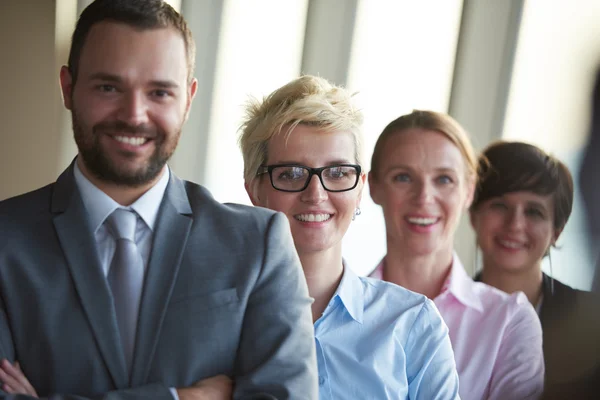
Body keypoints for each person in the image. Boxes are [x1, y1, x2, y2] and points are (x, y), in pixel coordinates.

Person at [0, 0, 318, 399]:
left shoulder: (258, 243)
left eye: (159, 92)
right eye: (108, 87)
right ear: (68, 88)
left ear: (188, 99)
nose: (134, 114)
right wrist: (183, 397)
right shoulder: (5, 240)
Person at [239, 75, 460, 400]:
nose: (316, 194)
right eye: (291, 174)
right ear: (255, 190)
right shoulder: (218, 319)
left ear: (359, 189)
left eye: (338, 173)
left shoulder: (413, 325)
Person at [368, 110, 545, 400]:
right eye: (403, 177)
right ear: (373, 186)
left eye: (444, 179)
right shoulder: (338, 313)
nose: (424, 197)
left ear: (469, 191)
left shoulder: (508, 322)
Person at [470, 140, 600, 398]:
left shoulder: (593, 325)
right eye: (499, 205)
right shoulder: (439, 315)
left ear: (557, 231)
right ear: (473, 214)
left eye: (534, 212)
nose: (515, 224)